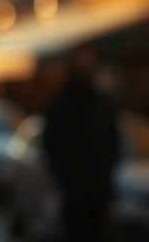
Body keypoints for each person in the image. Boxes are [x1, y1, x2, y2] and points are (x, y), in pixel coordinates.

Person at [42, 46, 120, 242]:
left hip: (99, 189)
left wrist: (106, 168)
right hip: (74, 191)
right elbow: (51, 143)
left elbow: (113, 141)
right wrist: (66, 175)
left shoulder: (102, 102)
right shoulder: (61, 103)